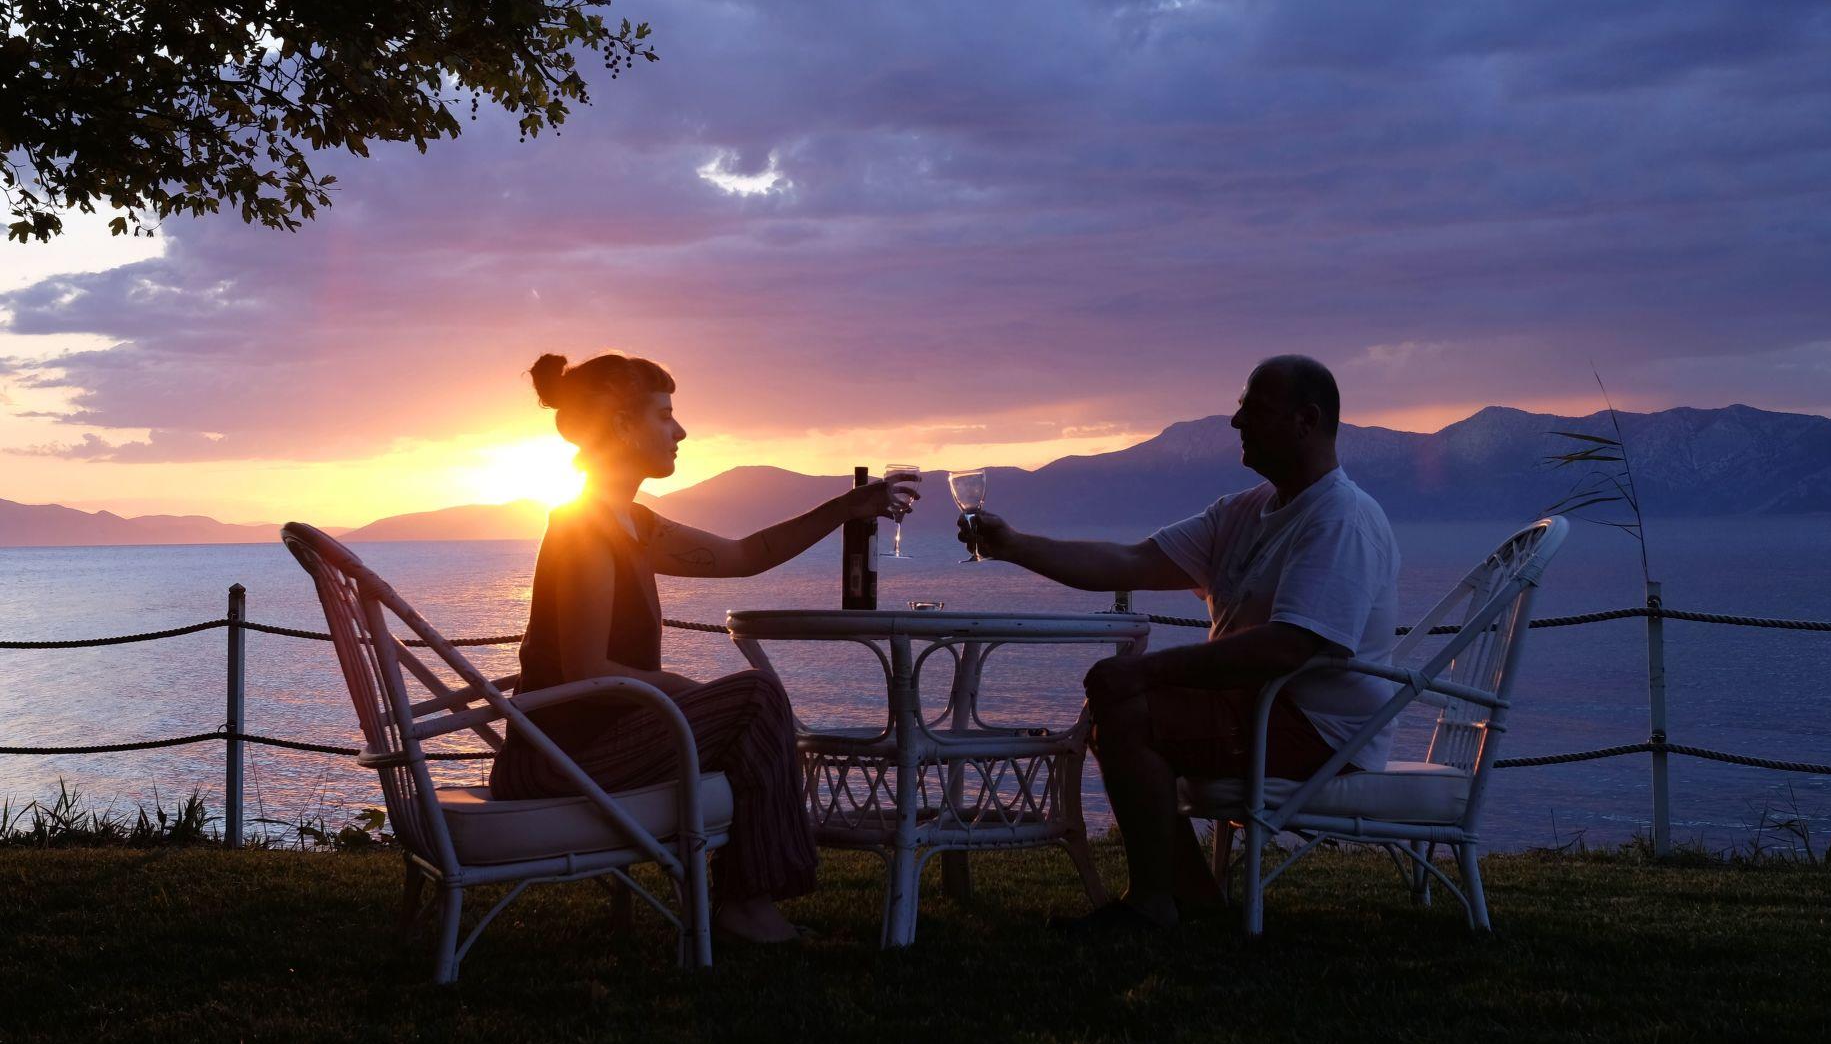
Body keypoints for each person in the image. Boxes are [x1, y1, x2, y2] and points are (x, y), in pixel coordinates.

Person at [490, 351, 918, 944]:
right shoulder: (585, 530)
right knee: (755, 699)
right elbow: (587, 670)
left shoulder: (632, 524)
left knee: (752, 704)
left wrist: (845, 509)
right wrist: (692, 694)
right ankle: (748, 909)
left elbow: (745, 556)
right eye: (664, 415)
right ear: (622, 425)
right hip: (557, 762)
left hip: (592, 747)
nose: (681, 431)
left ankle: (749, 902)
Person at [958, 355, 1399, 930]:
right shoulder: (1243, 512)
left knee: (1129, 709)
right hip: (1260, 709)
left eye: (1255, 409)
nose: (1236, 421)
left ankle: (1155, 903)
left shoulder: (1340, 519)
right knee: (1122, 703)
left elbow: (1287, 647)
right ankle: (1191, 899)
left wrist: (1147, 671)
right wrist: (1013, 545)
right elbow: (1131, 561)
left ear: (1306, 421)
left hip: (1320, 732)